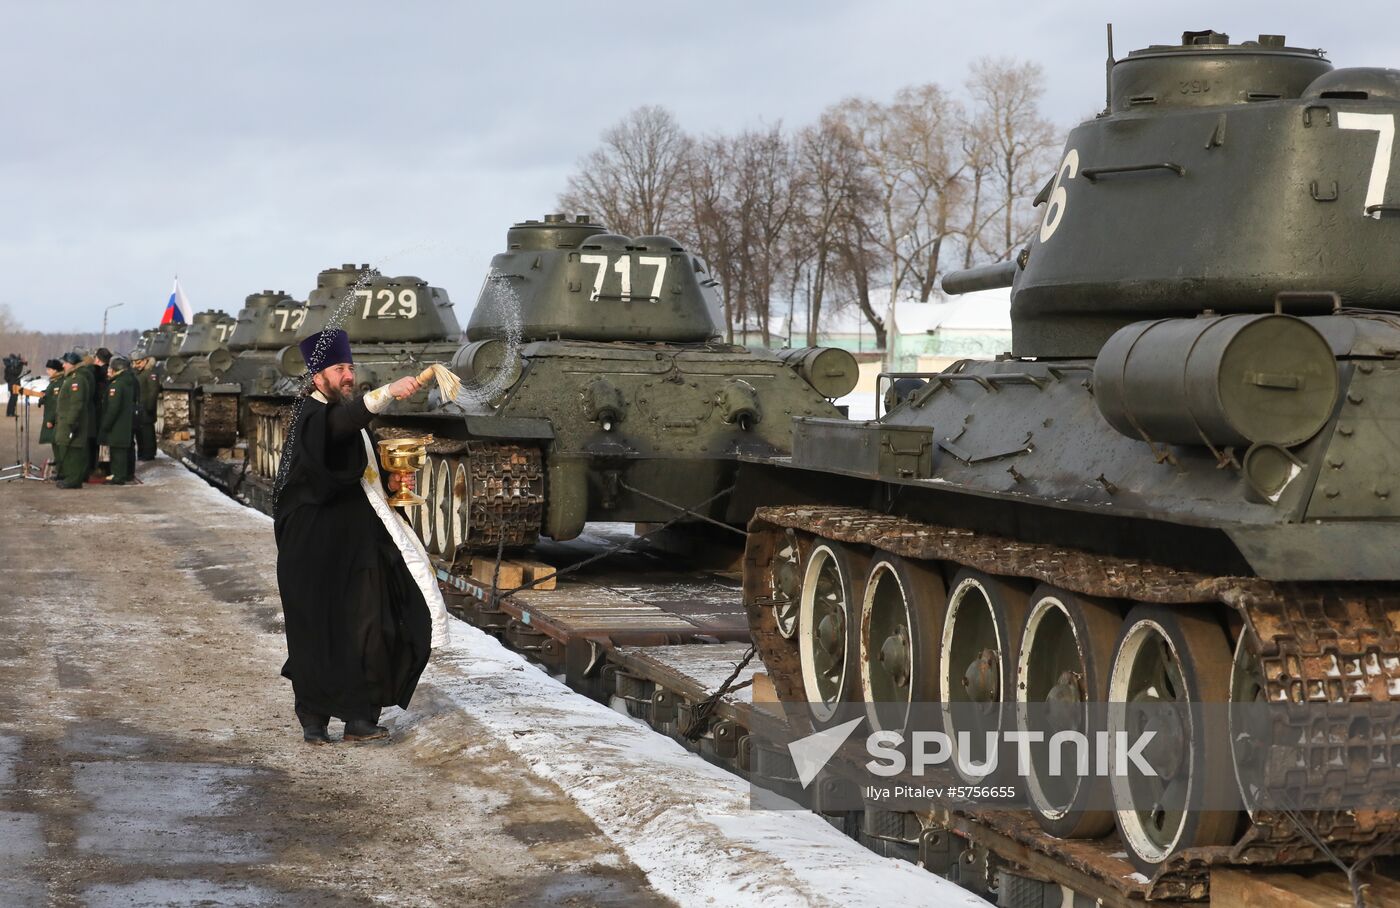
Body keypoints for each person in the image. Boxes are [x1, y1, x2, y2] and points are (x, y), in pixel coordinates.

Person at [273, 328, 448, 745]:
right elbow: (337, 429)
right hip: (312, 543)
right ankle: (313, 720)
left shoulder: (340, 411)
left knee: (371, 625)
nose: (348, 375)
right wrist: (387, 392)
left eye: (350, 367)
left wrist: (393, 479)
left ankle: (359, 717)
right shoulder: (310, 414)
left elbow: (354, 465)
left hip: (357, 539)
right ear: (317, 377)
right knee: (316, 629)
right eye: (339, 369)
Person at [53, 352, 95, 489]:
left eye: (65, 362)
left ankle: (74, 480)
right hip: (67, 420)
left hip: (72, 421)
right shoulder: (71, 378)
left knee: (75, 451)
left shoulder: (76, 380)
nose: (63, 365)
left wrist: (72, 421)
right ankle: (71, 477)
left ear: (72, 364)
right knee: (70, 449)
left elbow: (77, 403)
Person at [15, 359, 62, 468]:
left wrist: (51, 419)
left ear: (55, 370)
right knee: (54, 442)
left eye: (49, 369)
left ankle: (61, 468)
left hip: (55, 418)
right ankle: (59, 465)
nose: (47, 371)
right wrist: (43, 396)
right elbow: (50, 394)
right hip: (53, 417)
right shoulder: (55, 381)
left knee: (57, 443)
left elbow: (55, 403)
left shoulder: (58, 382)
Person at [99, 355, 138, 485]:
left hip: (118, 424)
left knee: (118, 451)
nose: (108, 370)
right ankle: (120, 474)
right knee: (120, 450)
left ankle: (118, 476)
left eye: (111, 368)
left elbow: (113, 408)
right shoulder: (126, 381)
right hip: (124, 422)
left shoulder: (117, 385)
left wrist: (105, 424)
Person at [89, 347, 111, 480]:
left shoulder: (98, 373)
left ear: (97, 359)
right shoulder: (109, 371)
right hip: (104, 410)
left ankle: (101, 467)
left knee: (99, 442)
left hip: (99, 411)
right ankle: (103, 467)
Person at [132, 354, 160, 460]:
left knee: (147, 433)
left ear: (145, 361)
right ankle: (142, 452)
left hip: (146, 408)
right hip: (139, 408)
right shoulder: (139, 373)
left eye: (138, 362)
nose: (135, 365)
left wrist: (149, 407)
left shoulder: (150, 373)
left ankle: (149, 453)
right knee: (140, 433)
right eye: (134, 362)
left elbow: (153, 391)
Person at [4, 352, 26, 418]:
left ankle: (10, 412)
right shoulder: (11, 368)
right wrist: (21, 364)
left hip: (11, 384)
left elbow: (7, 376)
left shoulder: (8, 367)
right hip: (14, 385)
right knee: (13, 399)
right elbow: (17, 373)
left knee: (12, 398)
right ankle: (10, 413)